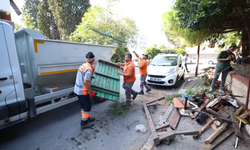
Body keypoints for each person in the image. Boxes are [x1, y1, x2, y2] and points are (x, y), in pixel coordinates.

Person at [74, 52, 96, 129]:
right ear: (93, 60)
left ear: (86, 59)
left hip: (77, 90)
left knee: (83, 106)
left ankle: (87, 118)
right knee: (87, 106)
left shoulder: (83, 65)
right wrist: (91, 92)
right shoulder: (89, 69)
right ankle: (83, 123)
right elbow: (85, 82)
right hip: (82, 91)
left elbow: (78, 76)